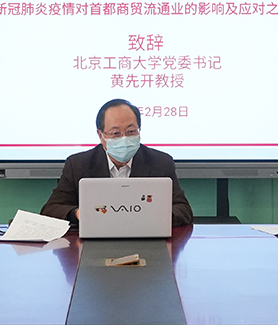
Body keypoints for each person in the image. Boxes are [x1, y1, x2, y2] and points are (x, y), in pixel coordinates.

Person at [41, 98, 193, 228]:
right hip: (95, 243)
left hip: (147, 239)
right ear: (100, 135)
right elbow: (51, 210)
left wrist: (155, 215)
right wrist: (78, 214)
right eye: (115, 133)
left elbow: (183, 210)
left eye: (131, 131)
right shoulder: (78, 164)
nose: (124, 138)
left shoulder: (160, 162)